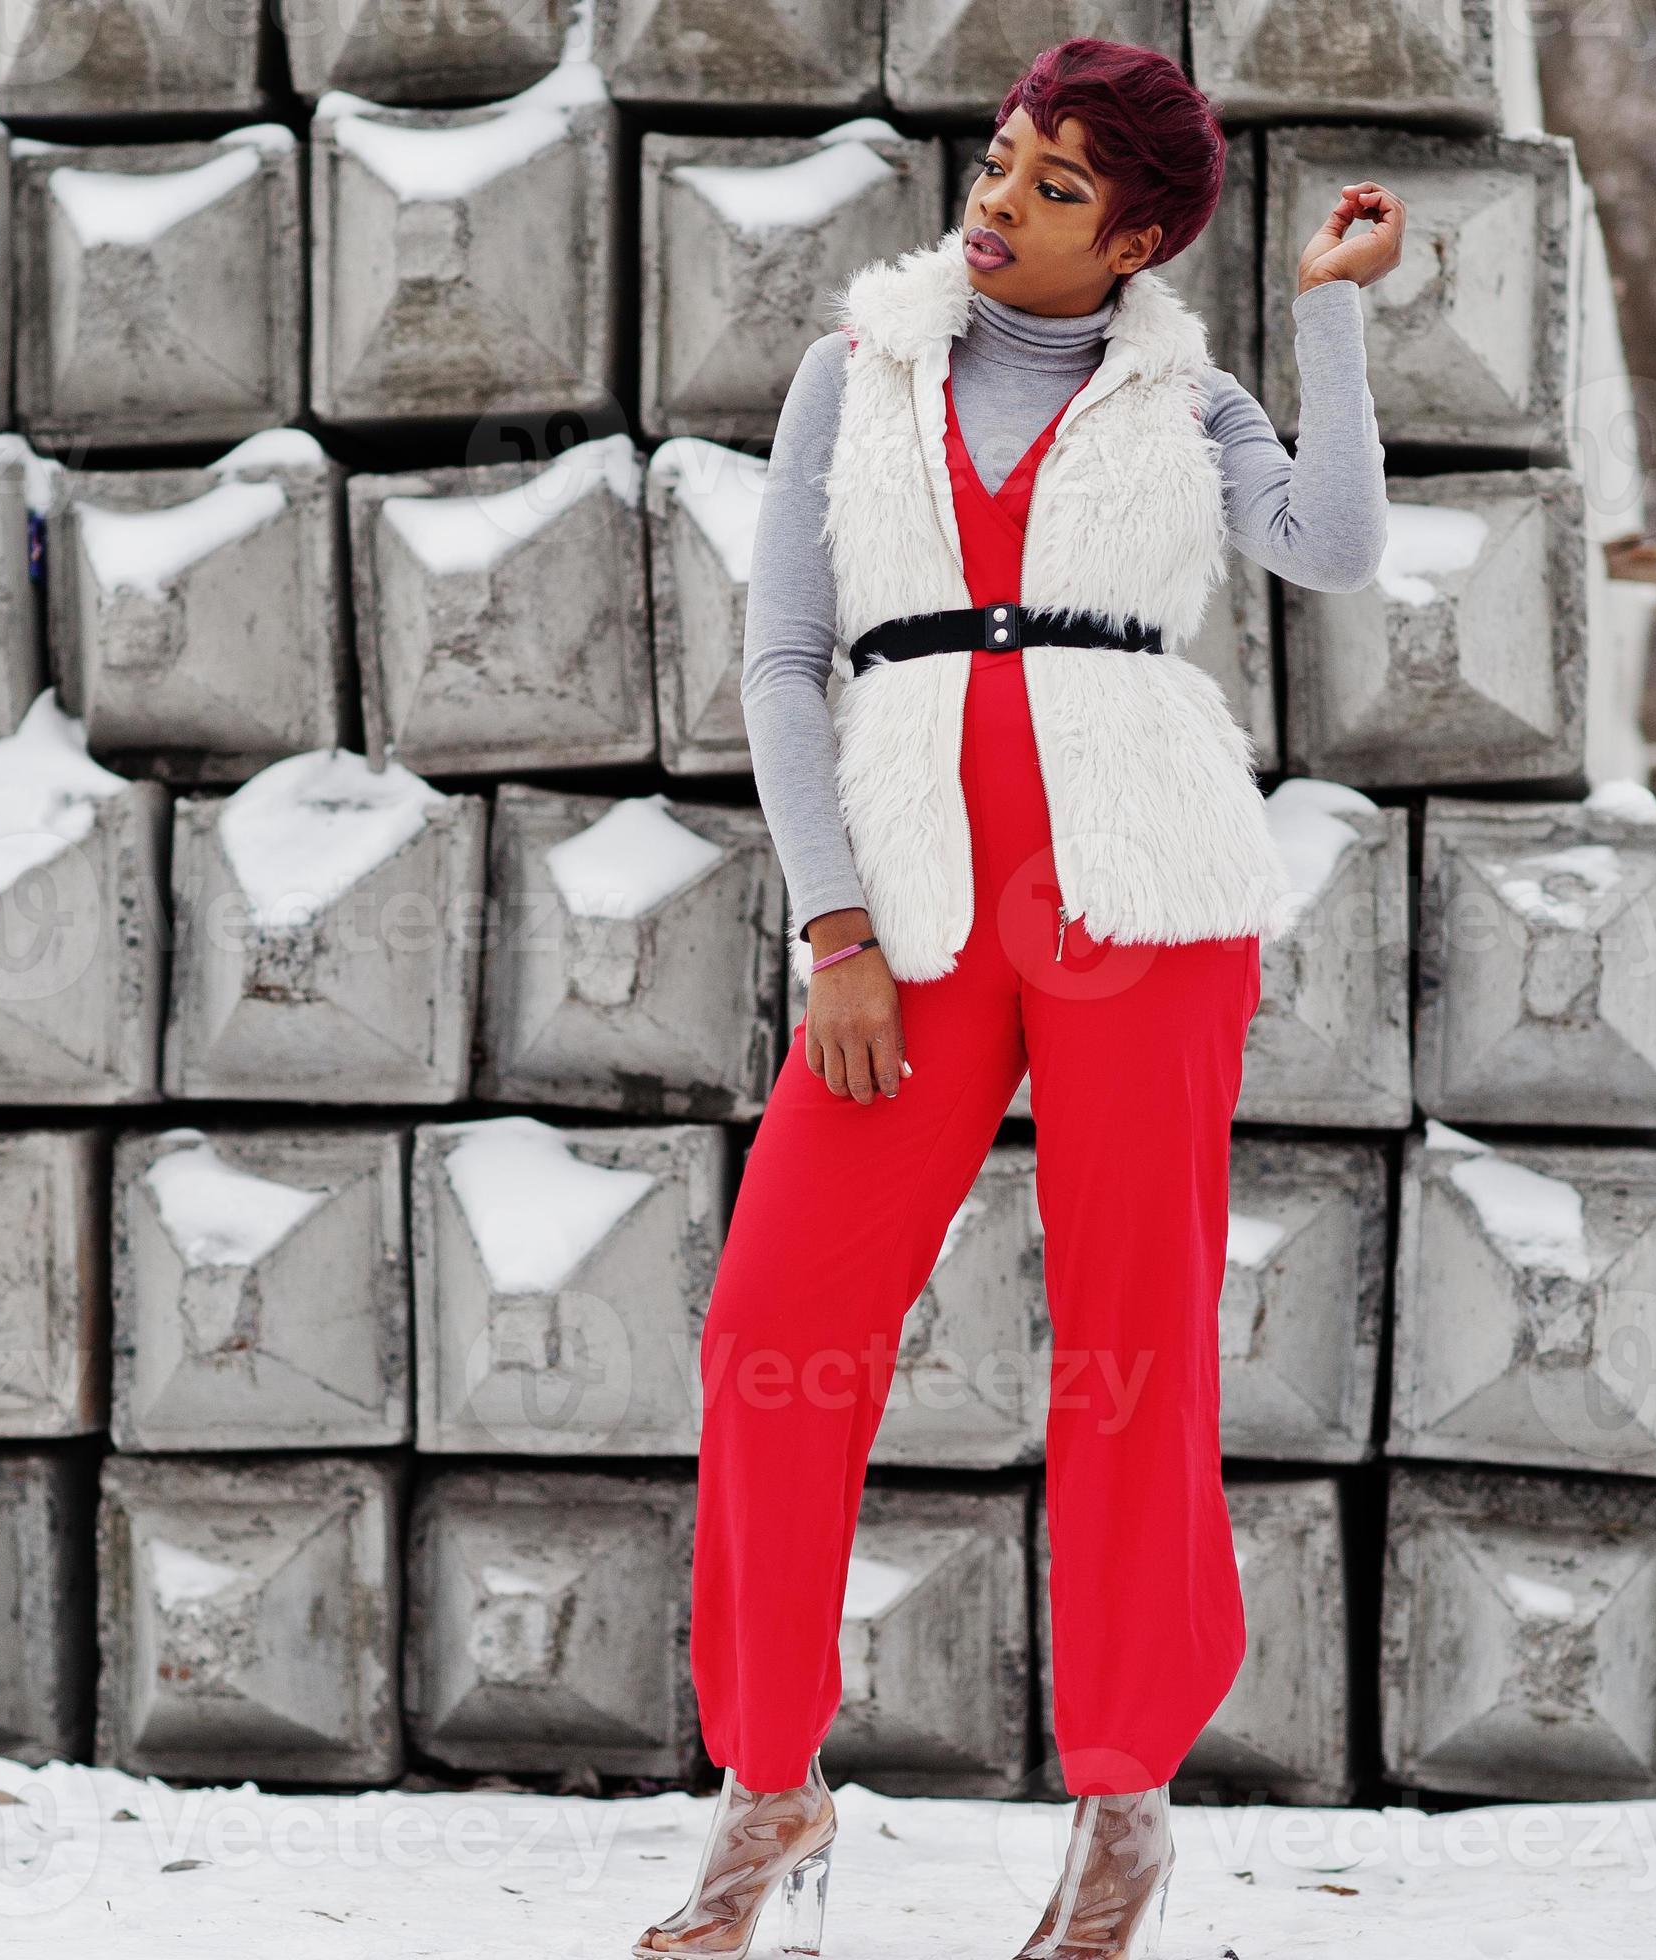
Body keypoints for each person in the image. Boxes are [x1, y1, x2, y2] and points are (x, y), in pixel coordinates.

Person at [632, 34, 1403, 1960]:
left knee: (1127, 1346)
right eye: (999, 159)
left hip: (1138, 898)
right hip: (908, 904)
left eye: (1054, 186)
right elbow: (785, 661)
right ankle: (768, 1792)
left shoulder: (1183, 390)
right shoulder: (857, 368)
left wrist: (1327, 330)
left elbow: (1330, 543)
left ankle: (1126, 1814)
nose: (997, 200)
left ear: (1132, 234)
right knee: (770, 1335)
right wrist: (832, 932)